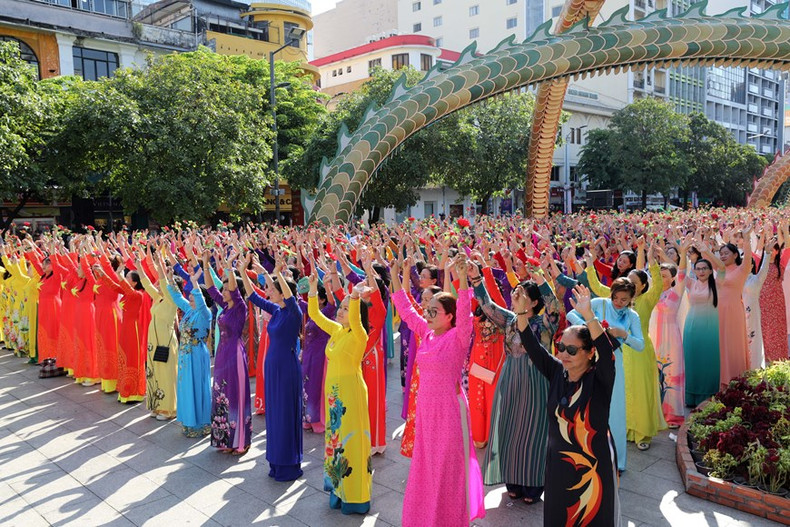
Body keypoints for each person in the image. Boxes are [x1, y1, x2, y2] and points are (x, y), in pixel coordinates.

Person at [391, 255, 485, 526]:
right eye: (428, 310)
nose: (428, 315)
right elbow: (406, 310)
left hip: (449, 411)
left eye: (434, 311)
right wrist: (398, 273)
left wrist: (464, 277)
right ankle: (424, 518)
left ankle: (450, 519)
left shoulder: (457, 337)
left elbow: (466, 311)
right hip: (426, 411)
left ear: (450, 316)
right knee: (426, 467)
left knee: (448, 470)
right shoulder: (427, 334)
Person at [516, 284, 620, 527]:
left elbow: (607, 353)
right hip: (558, 466)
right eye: (561, 347)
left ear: (589, 352)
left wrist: (589, 317)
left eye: (571, 349)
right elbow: (532, 346)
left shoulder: (600, 379)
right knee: (558, 517)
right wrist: (521, 313)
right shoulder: (556, 373)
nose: (563, 353)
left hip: (593, 469)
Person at [472, 255, 559, 505]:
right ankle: (513, 482)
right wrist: (476, 276)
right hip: (510, 378)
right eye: (515, 293)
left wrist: (541, 279)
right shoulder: (509, 320)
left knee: (533, 430)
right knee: (510, 428)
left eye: (521, 294)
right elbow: (487, 305)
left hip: (536, 381)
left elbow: (553, 305)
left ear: (533, 302)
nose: (516, 296)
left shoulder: (544, 323)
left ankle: (533, 486)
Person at [307, 270, 372, 514]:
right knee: (335, 442)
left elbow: (355, 320)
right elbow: (314, 313)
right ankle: (338, 491)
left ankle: (355, 498)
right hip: (334, 396)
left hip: (351, 395)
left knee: (351, 443)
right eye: (341, 307)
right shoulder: (337, 331)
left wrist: (354, 297)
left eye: (345, 308)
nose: (341, 311)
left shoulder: (359, 334)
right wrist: (313, 288)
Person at [567, 274, 643, 472]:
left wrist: (623, 334)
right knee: (587, 407)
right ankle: (585, 455)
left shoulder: (632, 316)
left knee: (615, 412)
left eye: (624, 300)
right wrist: (593, 327)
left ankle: (616, 461)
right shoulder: (599, 304)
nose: (619, 303)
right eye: (616, 298)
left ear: (631, 299)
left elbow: (640, 345)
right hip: (590, 361)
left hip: (613, 363)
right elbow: (571, 315)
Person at [240, 254, 304, 481]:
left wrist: (274, 272)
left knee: (286, 415)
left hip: (287, 370)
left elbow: (288, 294)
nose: (268, 291)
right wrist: (241, 270)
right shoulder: (276, 311)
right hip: (272, 369)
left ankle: (288, 464)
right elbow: (252, 296)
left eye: (272, 289)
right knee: (274, 416)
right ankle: (276, 462)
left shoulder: (294, 312)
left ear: (283, 292)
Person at [204, 250, 251, 455]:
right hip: (222, 354)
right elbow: (210, 288)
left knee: (235, 394)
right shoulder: (225, 305)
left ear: (235, 291)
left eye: (227, 289)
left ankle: (240, 440)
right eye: (223, 290)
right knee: (221, 394)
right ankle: (225, 439)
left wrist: (230, 266)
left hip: (235, 354)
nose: (223, 292)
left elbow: (231, 287)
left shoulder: (240, 307)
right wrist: (205, 264)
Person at [165, 266, 213, 437]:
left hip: (197, 355)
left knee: (197, 388)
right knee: (186, 388)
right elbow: (177, 297)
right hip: (186, 356)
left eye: (192, 298)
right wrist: (170, 279)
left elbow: (199, 301)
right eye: (190, 298)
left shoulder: (204, 313)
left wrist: (194, 283)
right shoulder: (190, 310)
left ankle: (201, 424)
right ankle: (189, 423)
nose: (190, 300)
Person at [651, 241, 689, 428]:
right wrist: (645, 251)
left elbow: (682, 273)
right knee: (655, 374)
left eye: (665, 275)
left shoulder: (676, 292)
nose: (662, 278)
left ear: (672, 278)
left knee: (671, 374)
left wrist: (682, 254)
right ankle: (656, 412)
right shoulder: (653, 293)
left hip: (671, 338)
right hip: (653, 337)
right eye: (659, 275)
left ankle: (672, 415)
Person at [139, 250, 180, 421]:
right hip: (153, 341)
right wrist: (138, 266)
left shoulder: (172, 300)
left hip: (166, 340)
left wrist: (162, 265)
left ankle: (168, 409)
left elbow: (163, 282)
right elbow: (147, 284)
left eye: (161, 285)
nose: (157, 285)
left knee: (166, 374)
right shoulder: (158, 298)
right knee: (153, 372)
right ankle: (156, 405)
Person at [713, 228, 752, 384]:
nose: (722, 256)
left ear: (735, 255)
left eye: (726, 253)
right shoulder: (719, 269)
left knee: (733, 344)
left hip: (734, 310)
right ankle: (721, 380)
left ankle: (736, 379)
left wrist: (747, 238)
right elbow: (706, 258)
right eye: (721, 253)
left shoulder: (741, 270)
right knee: (720, 344)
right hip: (717, 310)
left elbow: (748, 258)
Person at [683, 256, 720, 406]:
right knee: (692, 361)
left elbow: (722, 269)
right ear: (694, 271)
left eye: (705, 268)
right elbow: (677, 270)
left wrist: (706, 251)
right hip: (692, 327)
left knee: (709, 362)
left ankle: (707, 398)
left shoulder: (718, 284)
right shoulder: (691, 283)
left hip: (711, 328)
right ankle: (691, 397)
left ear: (711, 271)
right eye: (698, 268)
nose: (701, 271)